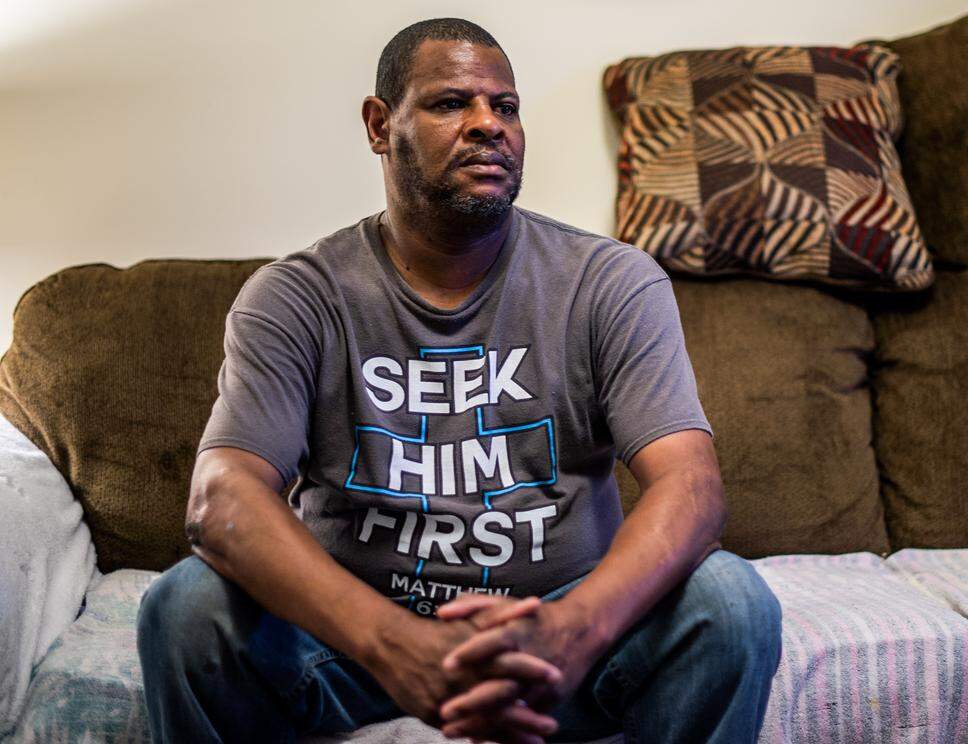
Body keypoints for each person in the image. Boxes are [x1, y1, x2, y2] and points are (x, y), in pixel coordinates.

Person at [136, 17, 782, 744]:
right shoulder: (297, 296)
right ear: (381, 126)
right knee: (185, 607)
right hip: (352, 648)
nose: (488, 126)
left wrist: (568, 632)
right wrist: (392, 644)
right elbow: (221, 498)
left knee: (730, 600)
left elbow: (691, 488)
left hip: (562, 645)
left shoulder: (608, 282)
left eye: (504, 106)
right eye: (451, 104)